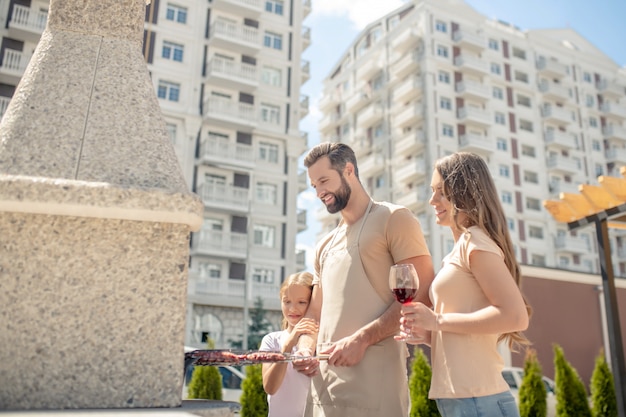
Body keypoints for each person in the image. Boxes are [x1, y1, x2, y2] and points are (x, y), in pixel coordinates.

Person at [294, 142, 435, 417]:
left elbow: (421, 292)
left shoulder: (394, 219)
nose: (319, 191)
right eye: (314, 186)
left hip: (376, 381)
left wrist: (362, 339)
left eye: (324, 180)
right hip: (324, 385)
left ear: (349, 170)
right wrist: (304, 348)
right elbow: (314, 313)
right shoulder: (324, 245)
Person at [398, 152, 531, 417]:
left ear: (465, 194)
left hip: (479, 401)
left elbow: (516, 316)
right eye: (432, 191)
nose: (432, 200)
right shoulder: (459, 250)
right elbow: (463, 325)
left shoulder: (475, 242)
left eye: (441, 192)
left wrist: (436, 322)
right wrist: (429, 334)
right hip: (460, 399)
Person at [259, 271, 318, 417]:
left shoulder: (322, 342)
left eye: (302, 302)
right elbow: (270, 387)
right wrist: (288, 344)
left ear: (313, 304)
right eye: (287, 301)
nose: (292, 309)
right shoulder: (271, 340)